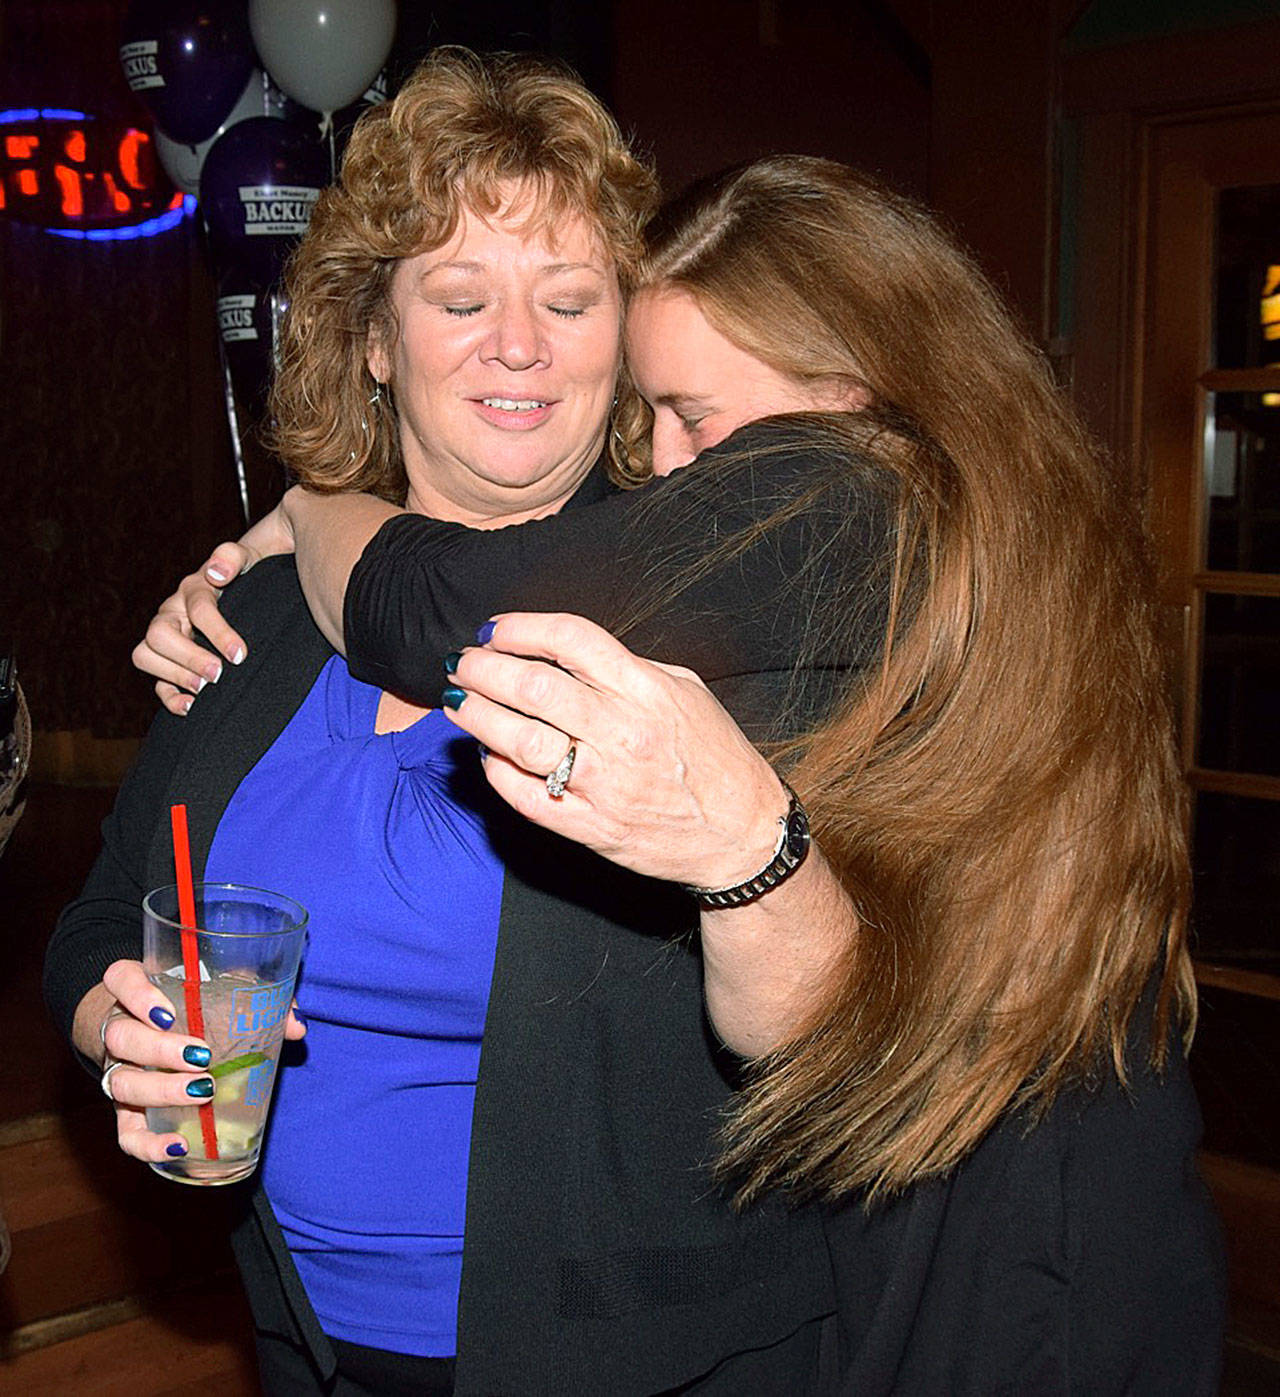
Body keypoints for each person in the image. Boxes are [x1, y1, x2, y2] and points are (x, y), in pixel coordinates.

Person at [127, 151, 1225, 1393]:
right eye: (649, 413)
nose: (670, 459)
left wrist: (310, 503)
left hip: (1012, 1229)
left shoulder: (849, 490)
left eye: (696, 416)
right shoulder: (964, 505)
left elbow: (435, 607)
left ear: (851, 388)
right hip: (980, 1159)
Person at [45, 54, 888, 1396]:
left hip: (638, 1362)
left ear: (627, 342)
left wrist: (314, 509)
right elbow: (105, 915)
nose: (521, 345)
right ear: (373, 339)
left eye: (571, 299)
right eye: (459, 295)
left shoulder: (696, 611)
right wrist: (121, 1024)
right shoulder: (261, 612)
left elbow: (852, 1025)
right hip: (306, 1342)